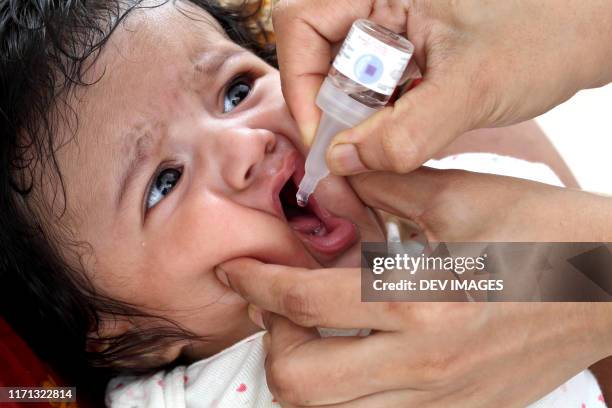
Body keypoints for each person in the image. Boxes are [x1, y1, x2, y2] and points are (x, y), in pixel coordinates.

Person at [212, 0, 612, 406]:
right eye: (165, 182)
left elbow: (592, 273)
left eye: (236, 92)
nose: (246, 143)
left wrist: (572, 283)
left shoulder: (473, 222)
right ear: (147, 348)